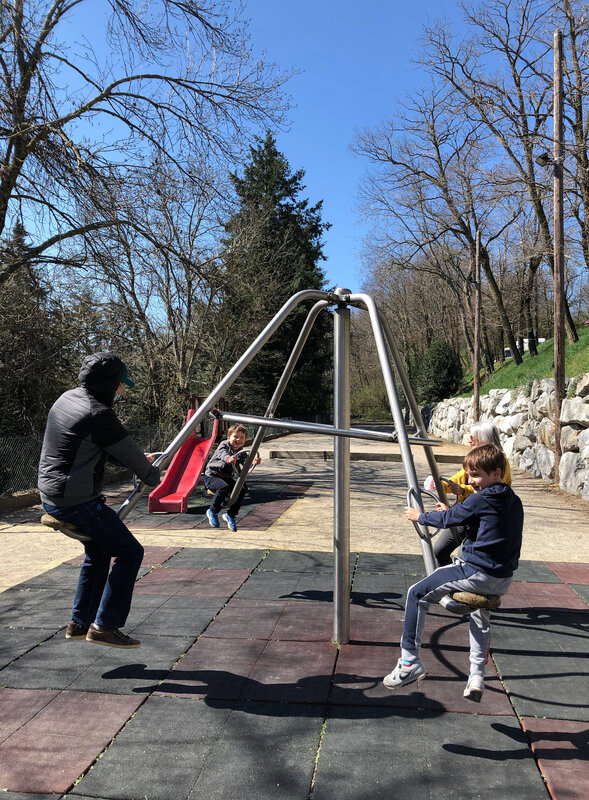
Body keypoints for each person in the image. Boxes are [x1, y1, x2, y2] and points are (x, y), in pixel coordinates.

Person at [38, 352, 160, 649]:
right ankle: (105, 625)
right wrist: (151, 473)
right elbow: (135, 459)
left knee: (99, 550)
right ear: (109, 384)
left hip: (50, 493)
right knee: (130, 552)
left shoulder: (68, 397)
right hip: (75, 500)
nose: (122, 391)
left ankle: (79, 622)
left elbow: (85, 446)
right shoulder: (98, 414)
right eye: (120, 385)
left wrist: (134, 460)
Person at [383, 443, 523, 702]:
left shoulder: (482, 498)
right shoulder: (512, 500)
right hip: (502, 579)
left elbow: (448, 521)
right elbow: (480, 524)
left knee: (416, 594)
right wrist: (452, 513)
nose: (472, 482)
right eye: (469, 475)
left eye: (477, 475)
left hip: (476, 572)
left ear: (497, 473)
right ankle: (476, 677)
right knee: (481, 618)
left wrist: (420, 516)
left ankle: (409, 662)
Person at [433, 421, 512, 566]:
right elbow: (458, 479)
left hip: (481, 518)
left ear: (483, 438)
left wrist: (463, 490)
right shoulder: (475, 458)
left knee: (466, 558)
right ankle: (449, 584)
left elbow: (492, 491)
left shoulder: (500, 462)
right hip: (465, 513)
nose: (469, 441)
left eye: (472, 437)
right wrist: (440, 485)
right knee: (439, 551)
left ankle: (461, 583)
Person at [203, 424, 261, 532]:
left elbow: (245, 462)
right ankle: (213, 511)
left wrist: (253, 462)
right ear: (229, 437)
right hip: (212, 476)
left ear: (245, 439)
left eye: (241, 438)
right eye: (235, 437)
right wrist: (228, 458)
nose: (238, 440)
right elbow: (222, 454)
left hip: (226, 477)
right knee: (223, 487)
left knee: (242, 489)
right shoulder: (224, 445)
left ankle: (231, 515)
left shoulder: (241, 451)